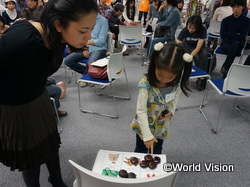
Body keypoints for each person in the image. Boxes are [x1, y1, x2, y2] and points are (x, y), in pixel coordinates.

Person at [0, 0, 97, 187]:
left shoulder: (57, 36)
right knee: (31, 154)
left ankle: (57, 180)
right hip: (15, 105)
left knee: (50, 142)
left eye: (90, 29)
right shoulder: (21, 38)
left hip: (38, 95)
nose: (88, 37)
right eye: (83, 31)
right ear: (59, 24)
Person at [131, 42, 192, 154]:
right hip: (144, 126)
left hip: (160, 126)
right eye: (160, 75)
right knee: (141, 150)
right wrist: (147, 135)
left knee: (157, 150)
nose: (164, 80)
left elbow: (175, 96)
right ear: (154, 65)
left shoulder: (176, 83)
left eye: (170, 77)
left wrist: (171, 110)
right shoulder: (145, 86)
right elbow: (140, 111)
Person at [219, 0, 250, 78]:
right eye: (233, 7)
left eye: (238, 7)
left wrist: (230, 35)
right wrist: (236, 34)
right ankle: (226, 70)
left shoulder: (246, 21)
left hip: (239, 44)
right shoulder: (226, 20)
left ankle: (225, 68)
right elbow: (222, 35)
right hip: (226, 43)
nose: (235, 9)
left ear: (242, 7)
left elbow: (243, 36)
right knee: (234, 45)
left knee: (235, 44)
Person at [177, 15, 208, 90]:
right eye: (189, 27)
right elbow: (178, 42)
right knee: (196, 56)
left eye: (193, 28)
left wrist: (190, 56)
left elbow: (198, 48)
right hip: (188, 46)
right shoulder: (184, 30)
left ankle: (202, 78)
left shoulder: (203, 29)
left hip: (199, 46)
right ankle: (200, 76)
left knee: (204, 55)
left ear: (198, 27)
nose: (190, 30)